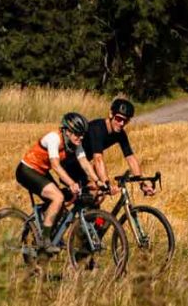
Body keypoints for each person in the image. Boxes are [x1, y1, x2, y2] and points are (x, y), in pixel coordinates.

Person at [15, 112, 90, 250]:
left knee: (63, 202)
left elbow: (85, 163)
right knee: (58, 197)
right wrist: (71, 183)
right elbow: (55, 165)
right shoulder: (54, 138)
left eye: (83, 134)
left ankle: (50, 232)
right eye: (77, 134)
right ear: (67, 131)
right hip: (27, 170)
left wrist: (99, 181)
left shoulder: (75, 143)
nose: (81, 137)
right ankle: (45, 239)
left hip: (41, 172)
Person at [65, 96, 149, 197]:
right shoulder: (97, 129)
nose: (121, 123)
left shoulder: (120, 134)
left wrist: (141, 183)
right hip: (69, 162)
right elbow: (98, 159)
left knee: (99, 196)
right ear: (110, 114)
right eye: (118, 119)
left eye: (125, 121)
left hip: (82, 164)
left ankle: (88, 212)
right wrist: (107, 183)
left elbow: (130, 158)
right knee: (94, 190)